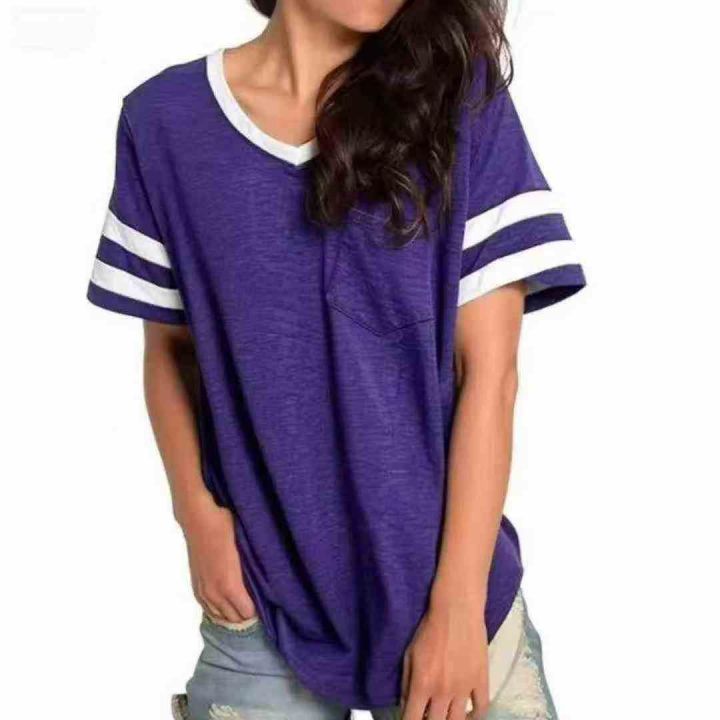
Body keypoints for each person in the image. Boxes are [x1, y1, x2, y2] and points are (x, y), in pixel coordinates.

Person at [86, 1, 585, 718]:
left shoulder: (458, 100)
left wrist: (457, 607)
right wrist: (198, 519)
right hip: (262, 596)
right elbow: (170, 348)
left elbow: (491, 376)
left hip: (449, 589)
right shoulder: (164, 121)